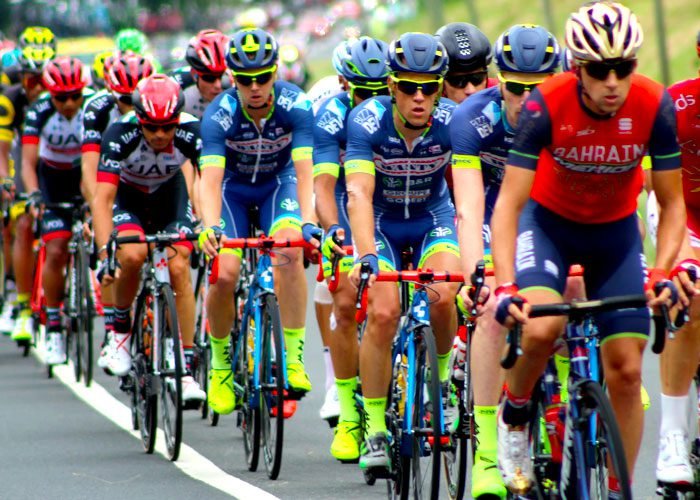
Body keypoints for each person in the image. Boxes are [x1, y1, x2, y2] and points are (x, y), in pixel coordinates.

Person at [490, 2, 684, 495]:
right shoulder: (546, 104)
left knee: (628, 370)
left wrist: (662, 271)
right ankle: (515, 415)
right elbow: (509, 205)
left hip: (615, 235)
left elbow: (672, 203)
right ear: (577, 67)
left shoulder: (654, 104)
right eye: (599, 70)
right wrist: (506, 285)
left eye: (624, 67)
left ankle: (619, 489)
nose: (613, 82)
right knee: (541, 327)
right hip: (549, 227)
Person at [449, 24, 560, 500]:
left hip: (547, 214)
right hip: (495, 213)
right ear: (499, 82)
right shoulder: (472, 118)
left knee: (575, 293)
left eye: (540, 88)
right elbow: (469, 209)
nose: (527, 99)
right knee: (493, 306)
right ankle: (487, 453)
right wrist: (474, 276)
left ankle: (570, 404)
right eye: (516, 87)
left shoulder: (569, 114)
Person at [344, 32, 460, 471]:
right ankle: (374, 427)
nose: (419, 97)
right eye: (409, 87)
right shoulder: (366, 120)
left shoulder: (454, 121)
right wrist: (365, 255)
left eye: (429, 87)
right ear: (391, 86)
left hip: (432, 217)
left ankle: (442, 385)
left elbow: (469, 193)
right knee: (383, 311)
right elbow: (358, 192)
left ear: (440, 88)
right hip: (381, 222)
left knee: (444, 294)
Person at [198, 28, 317, 415]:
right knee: (225, 272)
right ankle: (219, 367)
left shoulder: (296, 104)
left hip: (277, 185)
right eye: (245, 79)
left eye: (263, 77)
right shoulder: (219, 113)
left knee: (289, 251)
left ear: (275, 72)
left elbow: (306, 172)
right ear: (232, 77)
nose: (254, 87)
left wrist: (309, 223)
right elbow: (210, 180)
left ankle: (293, 358)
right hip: (232, 191)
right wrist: (209, 226)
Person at [92, 74, 205, 402]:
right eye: (151, 127)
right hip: (129, 199)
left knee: (179, 265)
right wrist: (105, 254)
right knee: (132, 255)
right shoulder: (119, 133)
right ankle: (120, 335)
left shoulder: (193, 131)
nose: (159, 134)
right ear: (139, 119)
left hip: (171, 196)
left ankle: (184, 367)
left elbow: (206, 181)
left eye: (167, 127)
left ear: (178, 120)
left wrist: (205, 225)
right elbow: (102, 199)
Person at [313, 36, 389, 462]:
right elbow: (325, 185)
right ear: (345, 84)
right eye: (363, 92)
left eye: (380, 91)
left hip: (393, 204)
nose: (372, 101)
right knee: (344, 302)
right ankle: (347, 412)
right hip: (346, 201)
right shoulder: (331, 114)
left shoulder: (402, 110)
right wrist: (334, 231)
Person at [81, 52, 154, 370]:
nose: (133, 107)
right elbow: (90, 168)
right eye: (125, 100)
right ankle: (114, 329)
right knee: (114, 251)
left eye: (137, 99)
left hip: (153, 183)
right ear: (112, 93)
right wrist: (95, 212)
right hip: (112, 182)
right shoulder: (98, 109)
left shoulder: (162, 101)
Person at [21, 56, 93, 365]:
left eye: (75, 96)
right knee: (55, 248)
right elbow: (27, 162)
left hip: (85, 175)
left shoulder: (94, 107)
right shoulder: (39, 111)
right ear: (50, 93)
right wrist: (35, 194)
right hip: (51, 180)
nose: (69, 103)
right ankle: (53, 324)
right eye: (61, 98)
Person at [654, 35, 700, 489]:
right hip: (681, 213)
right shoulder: (677, 106)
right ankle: (672, 439)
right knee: (691, 298)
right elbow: (656, 189)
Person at [0, 27, 56, 338]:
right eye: (31, 80)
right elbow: (3, 150)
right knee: (20, 222)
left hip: (56, 164)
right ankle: (21, 305)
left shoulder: (64, 95)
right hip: (23, 159)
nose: (37, 88)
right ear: (21, 76)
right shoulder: (10, 98)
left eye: (43, 80)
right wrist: (6, 180)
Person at [169, 29, 230, 120]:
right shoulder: (175, 87)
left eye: (222, 76)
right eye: (209, 78)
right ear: (194, 75)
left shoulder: (240, 82)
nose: (218, 85)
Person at [436, 22, 495, 104]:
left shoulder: (502, 93)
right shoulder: (427, 103)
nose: (471, 90)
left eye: (477, 78)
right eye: (458, 81)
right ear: (441, 85)